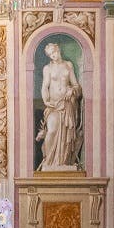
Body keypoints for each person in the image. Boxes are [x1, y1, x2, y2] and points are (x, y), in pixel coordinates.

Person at [36, 41, 82, 170]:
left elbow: (76, 85)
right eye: (50, 54)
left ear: (58, 50)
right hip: (54, 105)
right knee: (51, 131)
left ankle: (63, 162)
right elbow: (45, 86)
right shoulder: (48, 68)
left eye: (54, 52)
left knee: (67, 133)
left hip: (67, 104)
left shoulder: (68, 65)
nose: (53, 56)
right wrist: (46, 100)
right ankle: (49, 161)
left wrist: (71, 90)